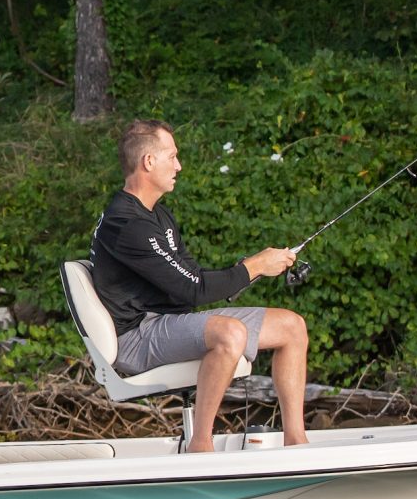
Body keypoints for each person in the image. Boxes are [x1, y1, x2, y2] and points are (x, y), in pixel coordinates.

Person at [90, 119, 308, 451]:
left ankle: (297, 442)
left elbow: (192, 278)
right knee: (229, 333)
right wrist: (255, 266)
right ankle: (201, 445)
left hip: (168, 322)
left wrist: (252, 269)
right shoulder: (127, 224)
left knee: (292, 327)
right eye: (172, 156)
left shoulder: (157, 216)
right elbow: (193, 290)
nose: (178, 166)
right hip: (136, 337)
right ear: (149, 162)